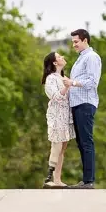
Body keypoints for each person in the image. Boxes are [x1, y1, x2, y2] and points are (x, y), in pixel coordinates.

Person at [63, 28, 102, 189]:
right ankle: (86, 180)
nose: (74, 45)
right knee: (81, 142)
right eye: (73, 42)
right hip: (77, 104)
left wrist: (73, 82)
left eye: (76, 42)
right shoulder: (80, 59)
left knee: (86, 142)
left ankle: (89, 181)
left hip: (85, 103)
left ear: (85, 40)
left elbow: (93, 82)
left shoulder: (92, 57)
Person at [41, 51, 74, 188]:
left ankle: (57, 180)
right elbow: (56, 97)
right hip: (56, 116)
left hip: (66, 117)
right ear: (55, 62)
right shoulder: (51, 79)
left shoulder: (63, 77)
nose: (63, 58)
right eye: (59, 57)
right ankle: (49, 178)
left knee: (62, 148)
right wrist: (67, 87)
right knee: (57, 145)